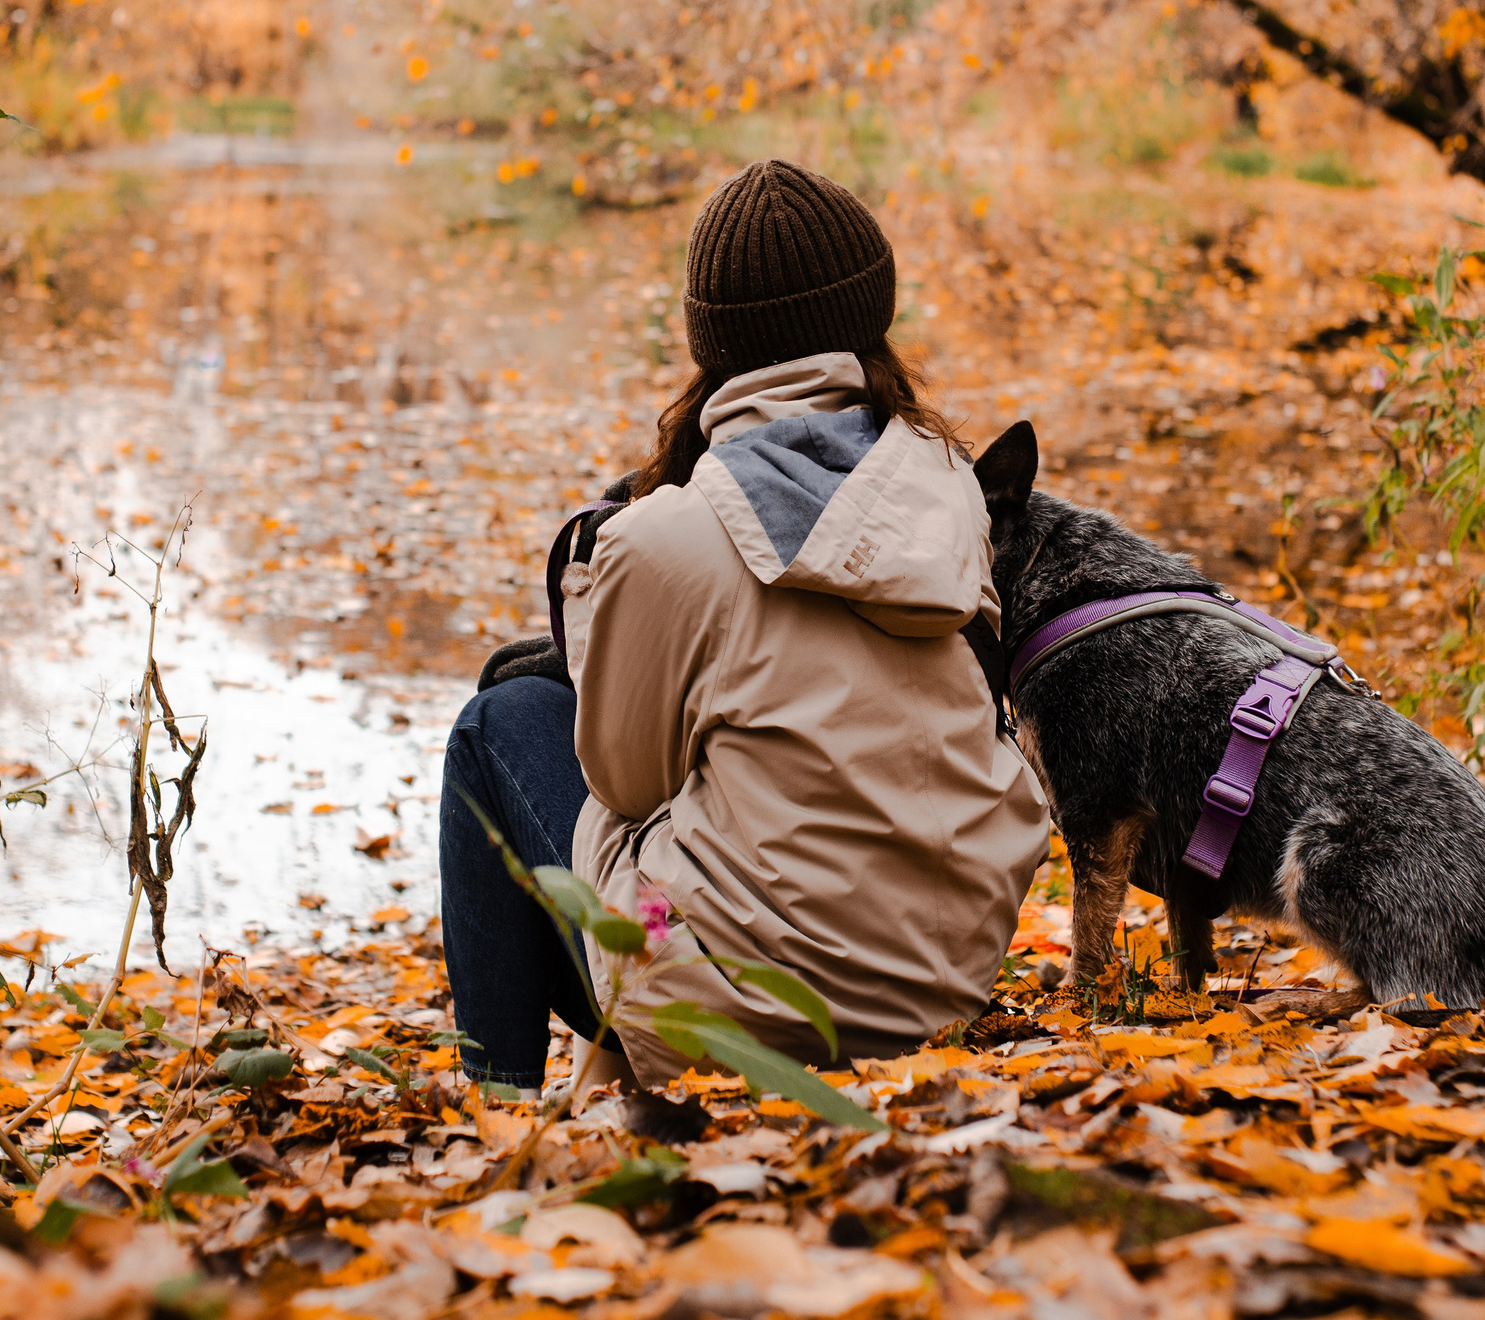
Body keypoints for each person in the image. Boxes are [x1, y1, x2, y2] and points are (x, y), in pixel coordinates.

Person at [436, 158, 1050, 1094]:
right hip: (937, 987)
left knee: (498, 725)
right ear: (869, 316)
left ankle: (500, 1098)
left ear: (709, 342)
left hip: (735, 1012)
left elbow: (625, 782)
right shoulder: (946, 486)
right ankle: (594, 1079)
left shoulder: (664, 537)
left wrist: (597, 629)